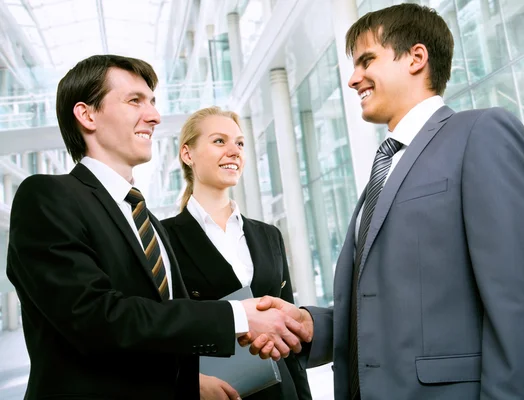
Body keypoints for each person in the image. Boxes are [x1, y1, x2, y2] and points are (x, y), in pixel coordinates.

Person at [250, 4, 524, 399]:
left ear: (416, 58)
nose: (353, 79)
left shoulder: (481, 134)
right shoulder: (386, 166)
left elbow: (521, 307)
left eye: (366, 60)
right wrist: (312, 327)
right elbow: (393, 304)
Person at [6, 54, 309, 400]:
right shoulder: (46, 198)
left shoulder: (147, 222)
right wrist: (236, 316)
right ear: (87, 114)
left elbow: (162, 329)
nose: (154, 116)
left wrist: (188, 381)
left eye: (152, 102)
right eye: (135, 100)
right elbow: (94, 319)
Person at [161, 106, 313, 400]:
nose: (234, 151)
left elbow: (291, 335)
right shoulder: (164, 238)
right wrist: (189, 383)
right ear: (187, 154)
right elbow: (161, 329)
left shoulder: (269, 236)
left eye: (240, 143)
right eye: (219, 141)